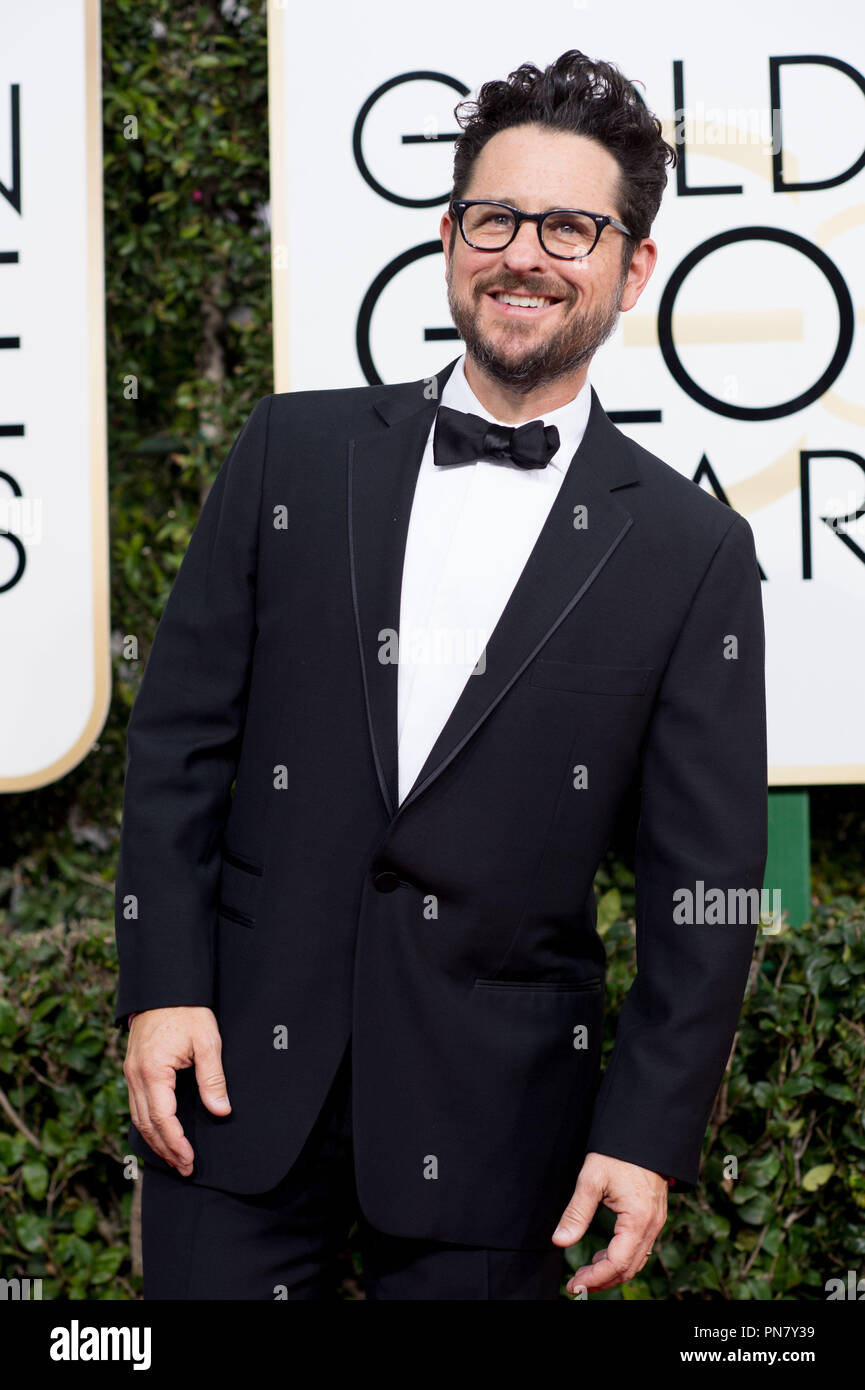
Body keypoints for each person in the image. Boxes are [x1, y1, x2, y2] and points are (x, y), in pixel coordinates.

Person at [115, 49, 767, 1301]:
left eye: (569, 227)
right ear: (448, 235)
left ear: (633, 267)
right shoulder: (290, 455)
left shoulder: (691, 555)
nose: (524, 252)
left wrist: (644, 1131)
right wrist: (163, 991)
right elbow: (178, 747)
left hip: (503, 1128)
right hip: (231, 1086)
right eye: (495, 216)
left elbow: (706, 881)